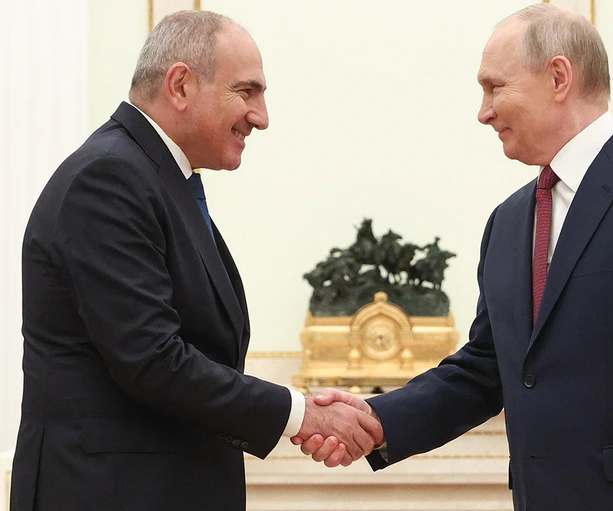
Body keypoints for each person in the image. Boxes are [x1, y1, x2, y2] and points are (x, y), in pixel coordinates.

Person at [295, 4, 613, 510]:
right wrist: (377, 419)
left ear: (558, 77)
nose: (484, 112)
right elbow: (485, 369)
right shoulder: (508, 221)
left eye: (494, 87)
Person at [10, 10, 381, 511]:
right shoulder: (108, 179)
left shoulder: (154, 177)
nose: (261, 116)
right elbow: (152, 360)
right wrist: (300, 414)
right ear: (181, 85)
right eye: (246, 92)